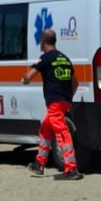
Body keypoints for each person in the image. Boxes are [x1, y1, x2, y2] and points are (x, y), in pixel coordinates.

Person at [22, 29, 83, 181]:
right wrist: (68, 97)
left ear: (43, 42)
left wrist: (24, 80)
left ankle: (71, 168)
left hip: (54, 103)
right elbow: (75, 83)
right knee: (45, 127)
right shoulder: (65, 59)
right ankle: (39, 163)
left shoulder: (45, 59)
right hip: (64, 101)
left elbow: (28, 76)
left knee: (62, 132)